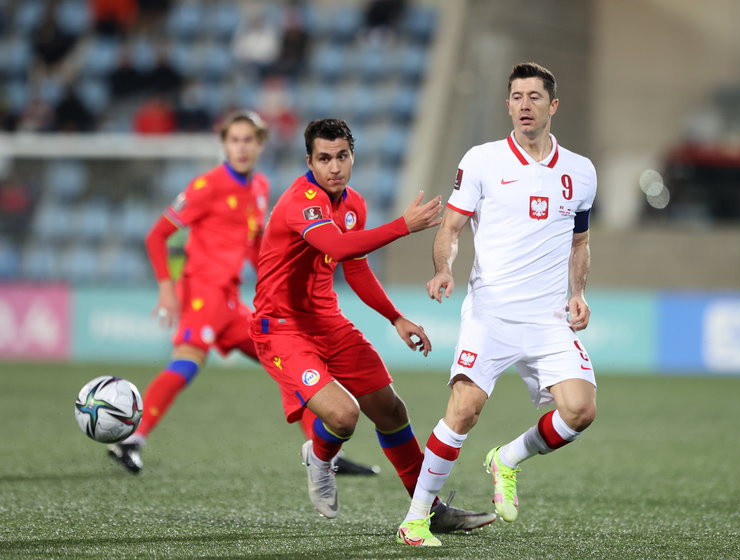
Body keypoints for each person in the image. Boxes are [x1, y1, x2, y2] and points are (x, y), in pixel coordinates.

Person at [249, 118, 496, 533]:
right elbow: (335, 246)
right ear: (308, 161)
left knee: (390, 410)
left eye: (342, 156)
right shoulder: (301, 201)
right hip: (282, 329)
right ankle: (320, 456)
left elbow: (355, 267)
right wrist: (403, 226)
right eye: (323, 158)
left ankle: (429, 510)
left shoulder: (353, 204)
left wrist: (395, 316)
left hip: (329, 322)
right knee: (344, 416)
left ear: (352, 157)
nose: (334, 166)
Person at [108, 111, 377, 476]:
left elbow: (256, 245)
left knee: (294, 361)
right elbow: (156, 236)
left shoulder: (261, 187)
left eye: (248, 140)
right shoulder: (207, 186)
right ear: (224, 145)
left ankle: (323, 451)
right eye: (234, 140)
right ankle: (131, 439)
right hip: (203, 294)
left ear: (260, 144)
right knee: (187, 363)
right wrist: (167, 289)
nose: (242, 147)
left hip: (232, 303)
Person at [396, 62, 598, 547]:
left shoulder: (581, 171)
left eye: (533, 96)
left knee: (580, 411)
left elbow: (580, 242)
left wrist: (578, 292)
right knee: (464, 409)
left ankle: (505, 459)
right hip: (492, 313)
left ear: (553, 105)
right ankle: (415, 519)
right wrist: (444, 268)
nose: (524, 105)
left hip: (549, 318)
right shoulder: (483, 160)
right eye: (516, 97)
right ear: (507, 104)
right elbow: (451, 228)